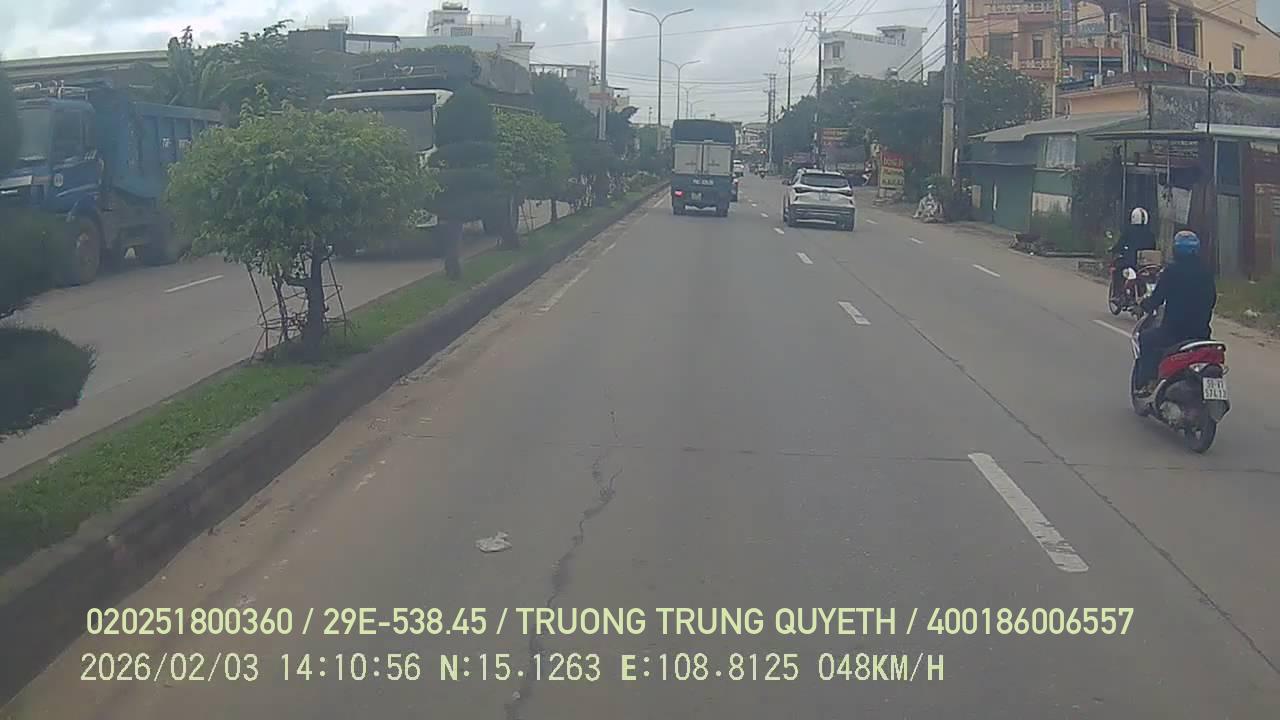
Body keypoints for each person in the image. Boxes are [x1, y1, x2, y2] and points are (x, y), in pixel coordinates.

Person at [1133, 230, 1216, 396]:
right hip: (1201, 334)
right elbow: (1212, 299)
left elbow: (1156, 299)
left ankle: (1147, 383)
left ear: (1176, 250)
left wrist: (1143, 304)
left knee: (1146, 339)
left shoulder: (1171, 271)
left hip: (1174, 333)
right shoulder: (1206, 272)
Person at [1110, 207, 1156, 299]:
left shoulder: (1129, 232)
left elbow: (1120, 245)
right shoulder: (1150, 234)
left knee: (1117, 270)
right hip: (1147, 264)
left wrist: (1113, 249)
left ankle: (1117, 295)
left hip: (1130, 262)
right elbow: (1153, 248)